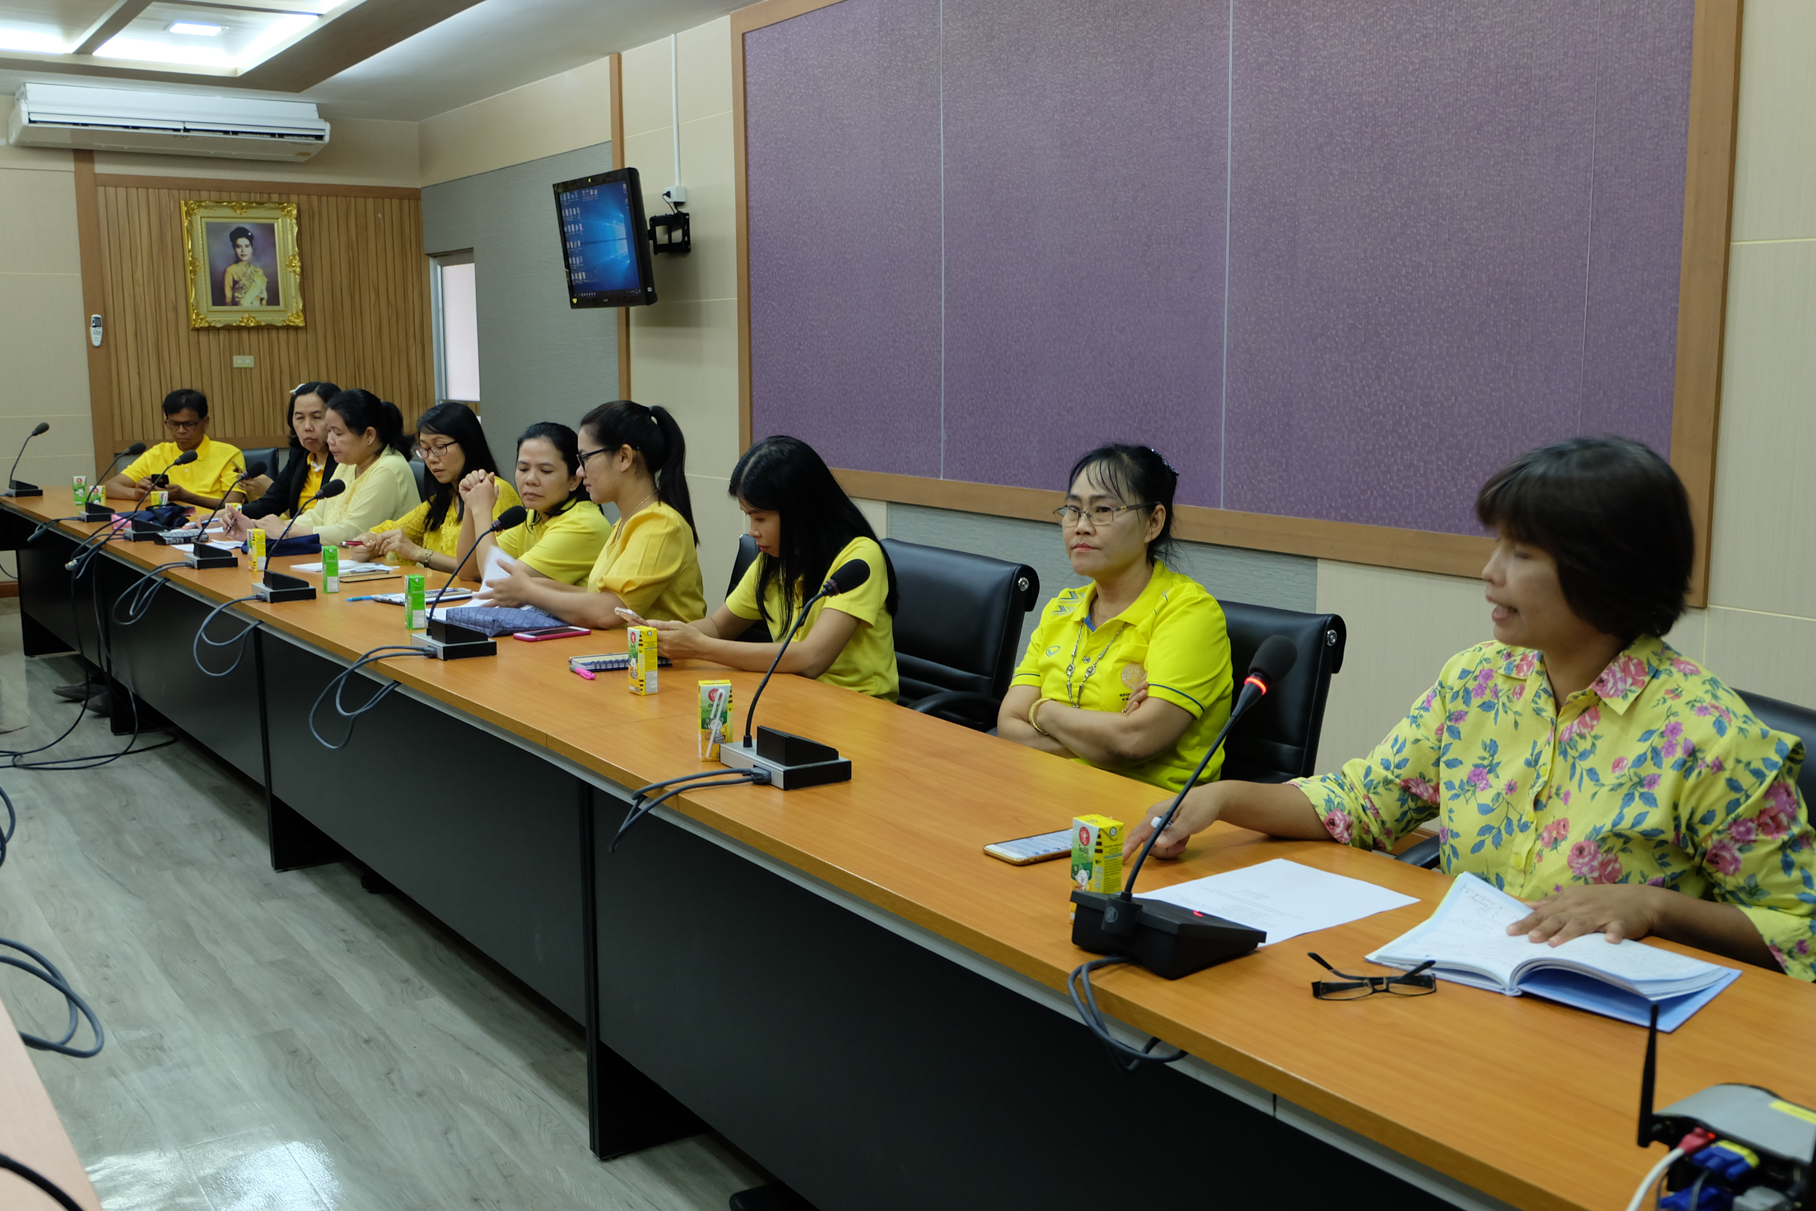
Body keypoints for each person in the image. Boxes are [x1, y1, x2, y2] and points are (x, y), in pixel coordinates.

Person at [1125, 437, 1816, 981]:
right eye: (1497, 544)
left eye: (1521, 552)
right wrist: (1220, 799)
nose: (1489, 571)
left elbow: (1799, 931)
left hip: (1612, 1028)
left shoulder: (1711, 736)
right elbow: (1364, 802)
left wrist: (1655, 907)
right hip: (1461, 982)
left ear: (1607, 571)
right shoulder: (1480, 680)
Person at [997, 445, 1232, 793]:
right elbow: (1008, 724)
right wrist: (1106, 739)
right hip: (1049, 792)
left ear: (1153, 522)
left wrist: (1043, 712)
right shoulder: (1062, 608)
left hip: (1143, 809)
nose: (1081, 527)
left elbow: (1135, 740)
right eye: (1073, 510)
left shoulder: (1189, 612)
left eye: (1102, 510)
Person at [643, 435, 899, 700]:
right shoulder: (775, 559)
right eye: (749, 517)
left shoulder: (859, 559)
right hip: (795, 696)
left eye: (760, 518)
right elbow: (718, 626)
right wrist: (667, 636)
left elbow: (811, 659)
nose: (752, 531)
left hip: (857, 707)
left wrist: (701, 648)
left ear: (798, 511)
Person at [480, 400, 704, 626]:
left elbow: (609, 611)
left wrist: (530, 592)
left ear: (624, 457)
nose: (579, 471)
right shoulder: (628, 521)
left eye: (585, 458)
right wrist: (531, 586)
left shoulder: (660, 524)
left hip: (658, 650)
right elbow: (596, 596)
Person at [220, 390, 418, 548]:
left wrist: (286, 532)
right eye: (329, 431)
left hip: (393, 572)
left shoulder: (389, 469)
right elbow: (318, 516)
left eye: (338, 433)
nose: (329, 440)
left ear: (369, 435)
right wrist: (256, 529)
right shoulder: (348, 464)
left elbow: (352, 533)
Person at [349, 402, 521, 574]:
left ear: (468, 444)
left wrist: (420, 553)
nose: (430, 458)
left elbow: (487, 567)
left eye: (440, 447)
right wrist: (368, 542)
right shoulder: (445, 498)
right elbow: (393, 530)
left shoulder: (493, 491)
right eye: (425, 449)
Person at [460, 422, 611, 587]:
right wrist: (470, 504)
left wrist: (481, 510)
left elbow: (497, 580)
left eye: (545, 471)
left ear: (574, 480)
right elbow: (468, 571)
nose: (530, 480)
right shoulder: (532, 515)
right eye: (523, 469)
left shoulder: (584, 525)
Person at [104, 389, 248, 510]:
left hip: (211, 524)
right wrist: (136, 494)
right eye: (174, 424)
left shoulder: (229, 454)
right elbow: (109, 487)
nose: (181, 431)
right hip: (168, 522)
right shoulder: (158, 453)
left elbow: (233, 504)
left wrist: (186, 496)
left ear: (205, 422)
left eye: (189, 424)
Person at [238, 381, 340, 521]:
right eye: (300, 418)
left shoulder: (346, 460)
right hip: (295, 531)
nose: (307, 426)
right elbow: (270, 503)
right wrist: (224, 515)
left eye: (316, 417)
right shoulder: (299, 454)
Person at [223, 226, 268, 307]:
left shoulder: (258, 271)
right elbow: (228, 301)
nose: (243, 250)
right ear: (234, 249)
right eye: (239, 247)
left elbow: (263, 299)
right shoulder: (230, 270)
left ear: (251, 248)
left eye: (247, 246)